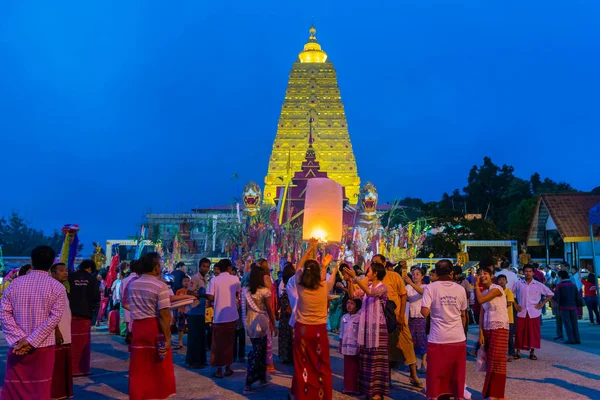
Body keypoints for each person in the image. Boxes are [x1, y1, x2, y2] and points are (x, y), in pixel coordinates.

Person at [0, 246, 67, 399]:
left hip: (17, 346)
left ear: (32, 261)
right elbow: (54, 319)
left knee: (14, 390)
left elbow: (3, 312)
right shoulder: (57, 287)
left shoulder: (15, 284)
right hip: (43, 346)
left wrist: (20, 339)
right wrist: (31, 341)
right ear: (51, 264)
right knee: (40, 388)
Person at [127, 252, 177, 400]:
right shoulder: (160, 286)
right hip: (153, 329)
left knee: (139, 367)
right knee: (158, 367)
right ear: (155, 267)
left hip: (138, 328)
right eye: (160, 264)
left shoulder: (132, 284)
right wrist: (168, 339)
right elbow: (163, 315)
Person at [292, 239, 337, 400]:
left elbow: (297, 267)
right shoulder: (324, 286)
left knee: (302, 365)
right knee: (322, 365)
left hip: (302, 330)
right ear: (318, 272)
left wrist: (311, 247)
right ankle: (322, 396)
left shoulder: (299, 283)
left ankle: (303, 396)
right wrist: (329, 266)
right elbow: (329, 278)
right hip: (319, 331)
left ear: (305, 272)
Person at [369, 254, 421, 388]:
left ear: (384, 263)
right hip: (380, 320)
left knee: (408, 344)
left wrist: (401, 315)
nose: (375, 265)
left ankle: (413, 375)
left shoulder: (394, 276)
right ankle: (388, 378)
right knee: (385, 349)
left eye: (378, 262)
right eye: (373, 263)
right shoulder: (370, 278)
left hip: (397, 317)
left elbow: (403, 296)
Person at [421, 259, 468, 400]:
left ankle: (436, 396)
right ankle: (457, 395)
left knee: (435, 373)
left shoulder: (431, 288)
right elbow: (463, 314)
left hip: (438, 337)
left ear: (436, 272)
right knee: (456, 373)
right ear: (452, 272)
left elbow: (424, 312)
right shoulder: (460, 289)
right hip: (458, 337)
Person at [346, 263, 390, 400]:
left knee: (376, 360)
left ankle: (377, 392)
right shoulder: (368, 286)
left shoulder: (382, 287)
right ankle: (367, 390)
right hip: (366, 327)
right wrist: (349, 281)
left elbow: (371, 294)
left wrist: (355, 278)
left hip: (378, 328)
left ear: (376, 273)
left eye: (369, 270)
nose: (367, 273)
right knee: (366, 359)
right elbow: (352, 295)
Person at [474, 267, 509, 400]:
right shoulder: (487, 291)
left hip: (500, 327)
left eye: (485, 273)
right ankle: (491, 392)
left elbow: (481, 301)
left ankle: (497, 394)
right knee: (490, 361)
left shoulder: (497, 289)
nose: (482, 276)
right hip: (488, 328)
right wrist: (481, 334)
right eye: (480, 274)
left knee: (497, 361)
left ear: (492, 275)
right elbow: (482, 313)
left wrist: (476, 286)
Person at [241, 266, 278, 394]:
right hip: (260, 321)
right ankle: (248, 383)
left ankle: (261, 378)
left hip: (250, 321)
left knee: (260, 350)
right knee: (257, 352)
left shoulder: (246, 290)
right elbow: (269, 309)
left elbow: (242, 309)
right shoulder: (264, 291)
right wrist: (274, 324)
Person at [206, 259, 241, 379]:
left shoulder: (214, 280)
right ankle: (228, 368)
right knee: (229, 343)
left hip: (219, 317)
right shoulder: (235, 279)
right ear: (229, 268)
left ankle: (219, 370)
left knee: (218, 344)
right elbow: (237, 291)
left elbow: (210, 296)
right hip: (232, 315)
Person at [513, 264, 554, 360]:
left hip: (534, 312)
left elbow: (550, 294)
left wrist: (542, 304)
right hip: (522, 311)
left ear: (533, 273)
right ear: (523, 272)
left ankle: (532, 352)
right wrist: (515, 304)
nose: (528, 273)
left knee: (533, 333)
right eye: (526, 271)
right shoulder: (518, 284)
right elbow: (511, 294)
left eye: (530, 271)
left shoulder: (538, 285)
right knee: (519, 332)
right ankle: (518, 351)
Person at [68, 259, 100, 376]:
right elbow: (96, 299)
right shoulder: (92, 280)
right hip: (85, 315)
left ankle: (70, 368)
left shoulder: (70, 277)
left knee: (70, 342)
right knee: (83, 343)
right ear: (90, 269)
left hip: (69, 315)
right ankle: (82, 369)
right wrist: (94, 318)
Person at [50, 262, 73, 400]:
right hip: (58, 334)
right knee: (57, 368)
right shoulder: (54, 287)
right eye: (61, 271)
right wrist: (57, 330)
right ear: (53, 273)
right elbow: (51, 312)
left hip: (64, 332)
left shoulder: (61, 287)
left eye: (66, 270)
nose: (65, 273)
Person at [186, 258, 210, 368]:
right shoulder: (195, 278)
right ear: (199, 266)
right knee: (195, 337)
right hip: (193, 311)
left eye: (207, 266)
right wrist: (203, 296)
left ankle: (200, 360)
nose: (205, 268)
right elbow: (189, 292)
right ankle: (194, 361)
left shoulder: (204, 279)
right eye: (203, 266)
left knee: (201, 337)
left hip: (201, 311)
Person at [404, 267, 428, 373]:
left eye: (417, 274)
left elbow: (421, 292)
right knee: (411, 341)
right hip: (410, 317)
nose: (415, 276)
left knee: (422, 340)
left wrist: (410, 282)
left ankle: (423, 363)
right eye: (413, 274)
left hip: (421, 317)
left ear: (422, 276)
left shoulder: (425, 286)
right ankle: (413, 364)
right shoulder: (408, 287)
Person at [338, 298, 362, 395]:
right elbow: (341, 332)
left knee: (355, 368)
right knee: (347, 367)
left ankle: (355, 387)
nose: (349, 305)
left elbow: (360, 333)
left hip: (355, 346)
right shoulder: (344, 317)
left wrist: (360, 345)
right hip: (345, 346)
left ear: (357, 306)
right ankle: (347, 387)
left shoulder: (359, 318)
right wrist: (340, 344)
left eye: (352, 303)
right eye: (348, 303)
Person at [554, 271, 581, 344]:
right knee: (574, 323)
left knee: (567, 324)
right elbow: (577, 296)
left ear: (560, 277)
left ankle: (571, 339)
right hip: (573, 306)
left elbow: (557, 297)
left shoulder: (559, 286)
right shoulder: (573, 285)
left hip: (564, 307)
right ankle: (577, 338)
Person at [278, 263, 295, 364]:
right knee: (290, 334)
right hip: (290, 312)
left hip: (284, 313)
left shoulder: (282, 284)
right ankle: (291, 355)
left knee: (285, 334)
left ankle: (286, 356)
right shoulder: (292, 284)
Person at [496, 274, 517, 359]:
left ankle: (511, 353)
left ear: (506, 281)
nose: (502, 281)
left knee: (509, 337)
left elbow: (509, 303)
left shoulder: (509, 291)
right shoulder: (496, 291)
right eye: (500, 280)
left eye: (503, 279)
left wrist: (498, 304)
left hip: (508, 318)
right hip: (498, 317)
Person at [173, 276, 190, 349]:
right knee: (181, 327)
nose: (186, 283)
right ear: (182, 283)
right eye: (185, 281)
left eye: (188, 281)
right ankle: (180, 342)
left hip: (189, 311)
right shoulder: (179, 291)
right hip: (181, 311)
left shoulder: (191, 291)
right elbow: (176, 301)